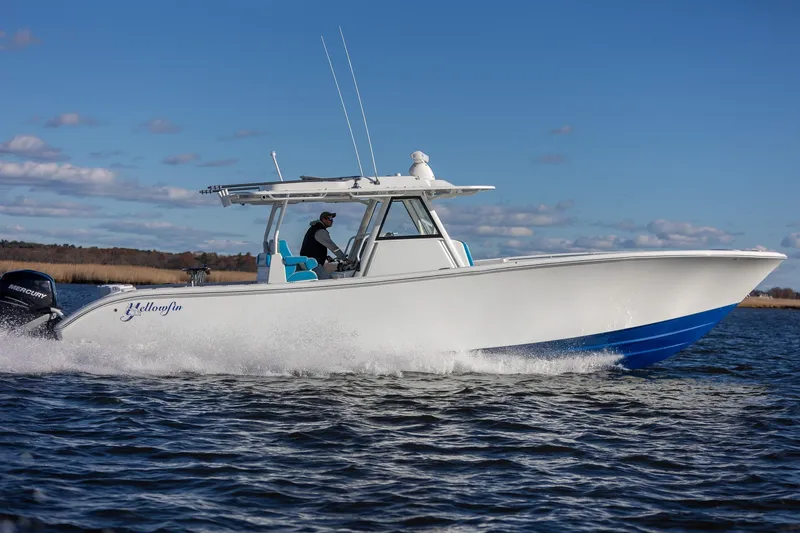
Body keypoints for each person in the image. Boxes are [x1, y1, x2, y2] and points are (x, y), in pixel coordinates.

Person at [300, 211, 349, 279]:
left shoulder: (314, 229)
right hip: (313, 263)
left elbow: (313, 247)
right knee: (328, 281)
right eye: (330, 219)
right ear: (323, 219)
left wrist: (325, 257)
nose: (332, 221)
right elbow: (332, 247)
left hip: (309, 261)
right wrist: (344, 258)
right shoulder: (320, 230)